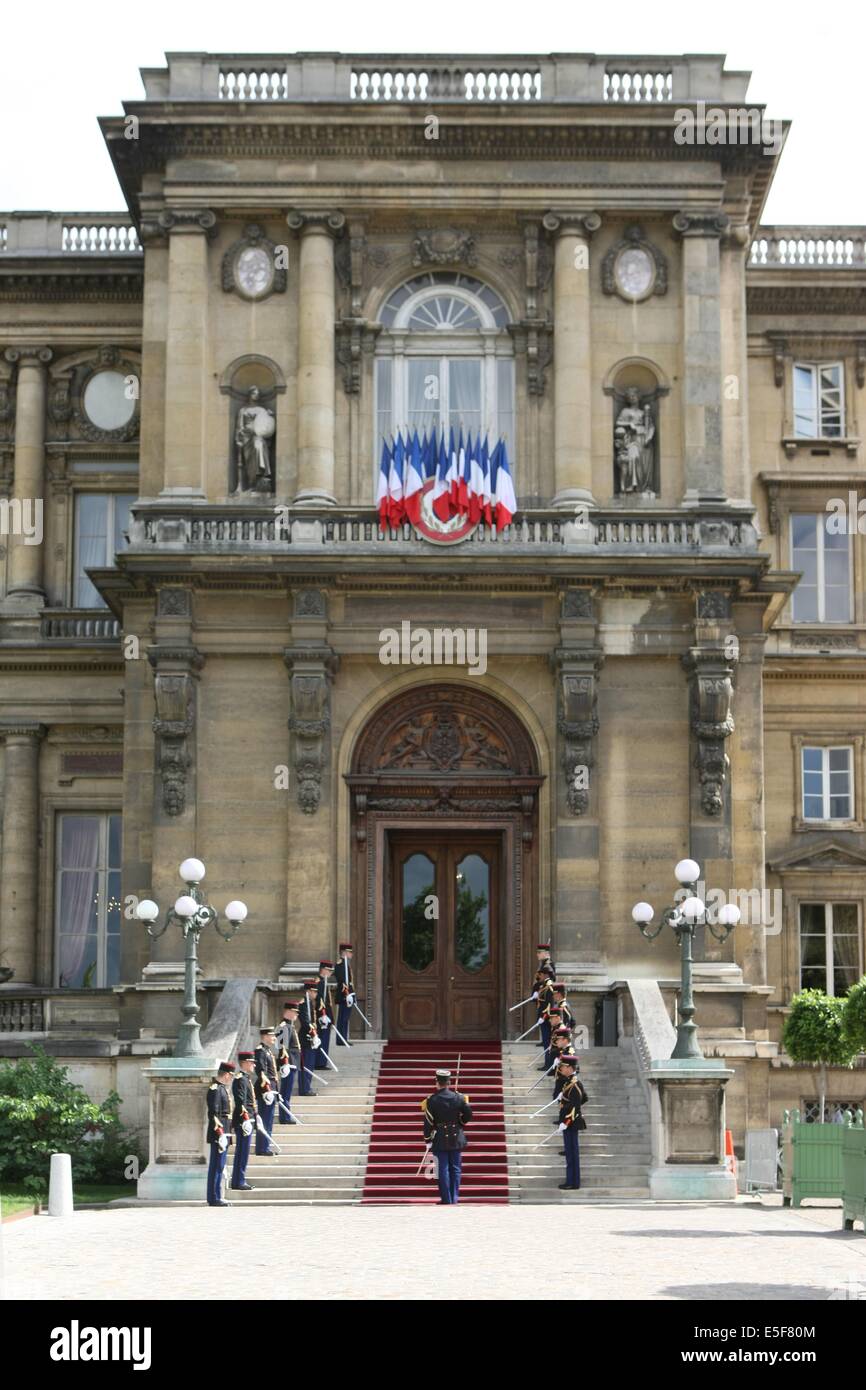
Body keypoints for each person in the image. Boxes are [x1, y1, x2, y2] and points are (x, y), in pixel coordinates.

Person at [422, 1067, 473, 1206]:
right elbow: (469, 1114)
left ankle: (446, 1199)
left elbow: (428, 1122)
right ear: (449, 1082)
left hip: (439, 1138)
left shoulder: (431, 1100)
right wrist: (460, 1123)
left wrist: (427, 1139)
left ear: (437, 1082)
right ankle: (454, 1198)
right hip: (456, 1136)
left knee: (442, 1169)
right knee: (455, 1168)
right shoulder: (459, 1097)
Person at [557, 1056, 588, 1191]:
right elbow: (584, 1098)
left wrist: (566, 1121)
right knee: (570, 1153)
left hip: (571, 1123)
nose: (561, 1069)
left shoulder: (574, 1084)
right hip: (568, 1123)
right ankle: (573, 1181)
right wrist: (563, 1098)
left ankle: (573, 1182)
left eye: (563, 1067)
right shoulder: (569, 1082)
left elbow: (576, 1107)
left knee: (571, 1154)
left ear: (570, 1068)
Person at [206, 1061, 234, 1207]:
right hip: (219, 1133)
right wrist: (220, 1133)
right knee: (217, 1165)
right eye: (231, 1076)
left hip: (224, 1132)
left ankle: (215, 1196)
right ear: (227, 1075)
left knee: (219, 1165)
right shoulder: (215, 1089)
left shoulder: (221, 1088)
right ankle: (214, 1197)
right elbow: (214, 1114)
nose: (231, 1079)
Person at [230, 1051, 258, 1191]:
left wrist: (255, 1116)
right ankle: (239, 1181)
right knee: (242, 1151)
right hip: (243, 1120)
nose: (253, 1065)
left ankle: (238, 1180)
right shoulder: (240, 1079)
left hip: (248, 1119)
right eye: (251, 1062)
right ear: (245, 1063)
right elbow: (241, 1102)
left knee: (243, 1152)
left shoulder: (246, 1078)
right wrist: (246, 1119)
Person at [275, 1001, 301, 1124]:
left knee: (287, 1092)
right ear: (289, 1011)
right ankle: (284, 1117)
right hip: (288, 1064)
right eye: (295, 1012)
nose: (296, 1014)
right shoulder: (283, 1026)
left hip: (292, 1063)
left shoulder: (289, 1026)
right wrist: (284, 1063)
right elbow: (281, 1047)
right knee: (285, 1092)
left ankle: (285, 1115)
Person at [254, 1027, 278, 1154]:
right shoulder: (260, 1051)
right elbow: (261, 1073)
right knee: (265, 1119)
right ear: (265, 1036)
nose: (274, 1038)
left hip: (271, 1089)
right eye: (272, 1035)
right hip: (265, 1091)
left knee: (268, 1121)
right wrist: (267, 1090)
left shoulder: (267, 1051)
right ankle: (262, 1148)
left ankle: (265, 1146)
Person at [297, 980, 321, 1095]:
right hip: (306, 1038)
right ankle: (305, 1089)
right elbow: (306, 1022)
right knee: (306, 1065)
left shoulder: (309, 1003)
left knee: (310, 1065)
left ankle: (306, 1087)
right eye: (314, 991)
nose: (316, 994)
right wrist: (314, 1034)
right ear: (308, 991)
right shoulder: (303, 1003)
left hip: (310, 1037)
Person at [315, 960, 334, 1068]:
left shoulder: (324, 982)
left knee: (325, 1038)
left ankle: (322, 1061)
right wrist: (323, 1014)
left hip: (326, 1015)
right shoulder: (319, 982)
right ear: (323, 970)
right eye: (329, 970)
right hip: (322, 1016)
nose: (331, 973)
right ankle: (320, 1062)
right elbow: (320, 1000)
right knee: (323, 1038)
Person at [334, 943, 355, 1044]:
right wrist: (347, 994)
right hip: (344, 995)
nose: (351, 954)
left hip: (348, 994)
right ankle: (341, 1039)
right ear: (345, 952)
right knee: (343, 1018)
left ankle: (342, 1038)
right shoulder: (340, 965)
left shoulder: (345, 964)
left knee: (344, 1017)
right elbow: (342, 981)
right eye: (350, 952)